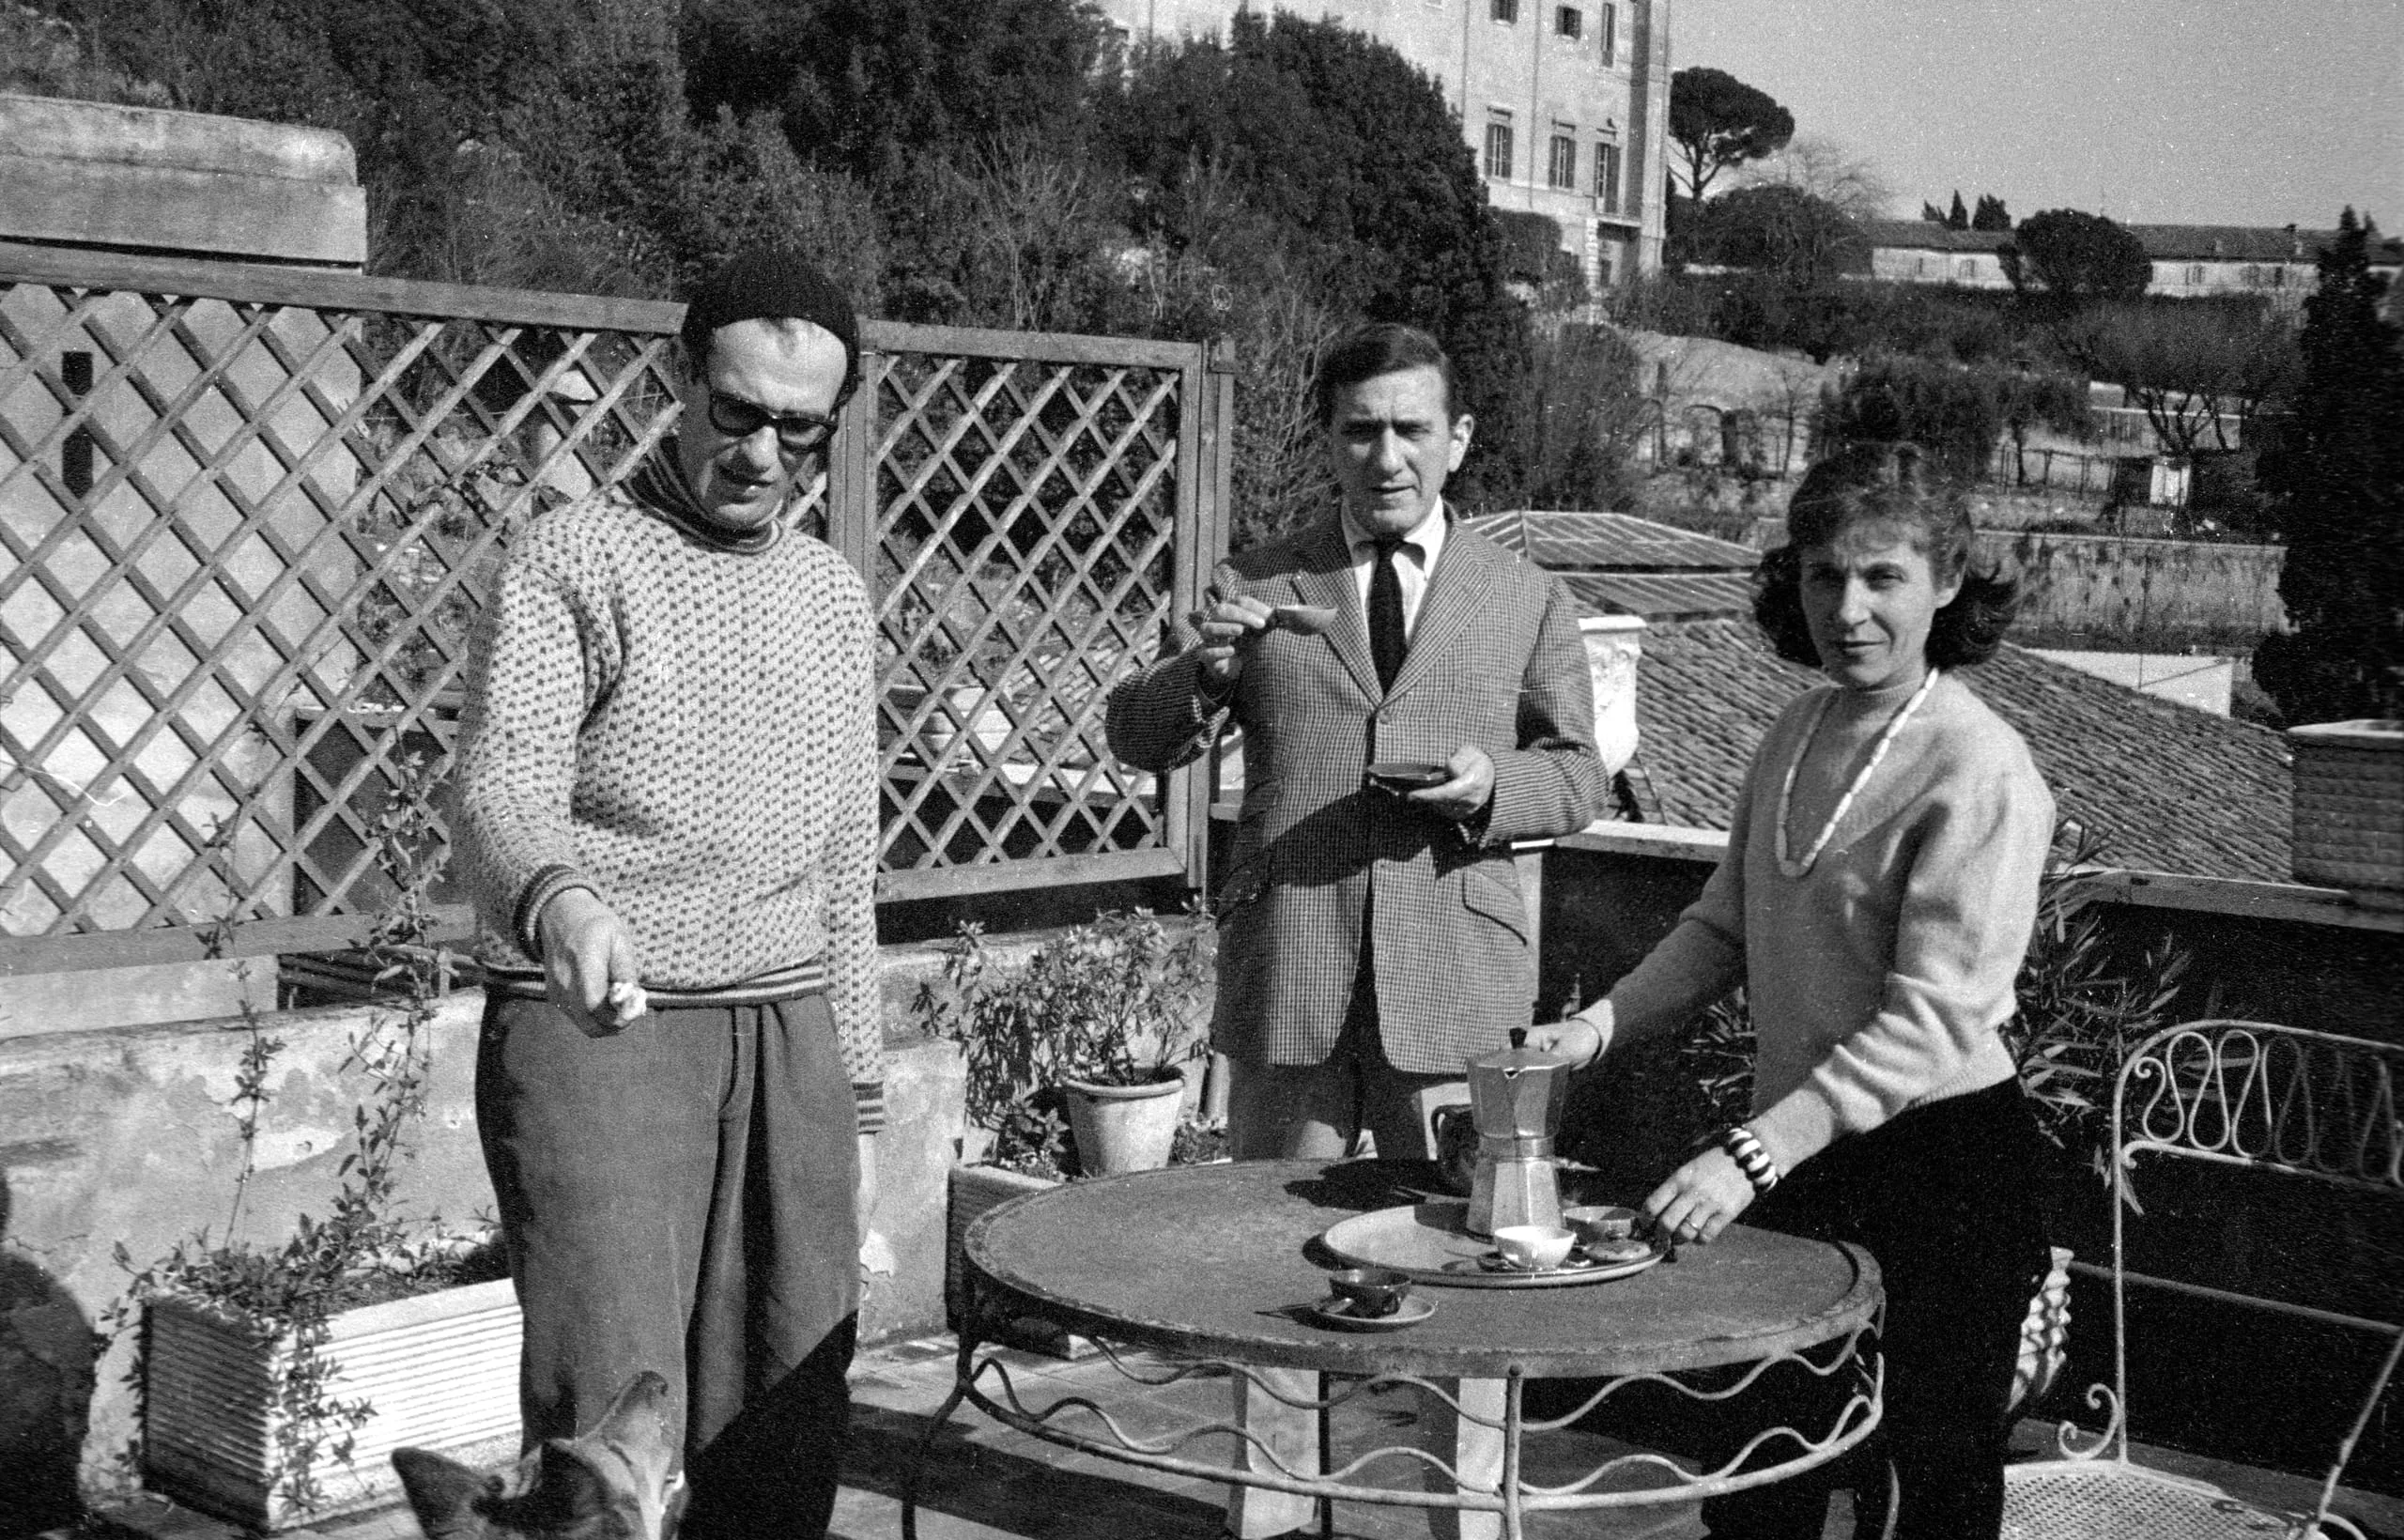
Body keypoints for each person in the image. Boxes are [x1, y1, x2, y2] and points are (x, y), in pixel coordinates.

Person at [1107, 321, 1608, 1538]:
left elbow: (1580, 776)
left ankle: (1461, 1525)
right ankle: (1275, 1519)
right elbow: (1137, 736)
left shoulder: (1523, 596)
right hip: (1294, 974)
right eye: (1361, 429)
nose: (1387, 456)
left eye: (1411, 429)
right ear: (1328, 438)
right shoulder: (1258, 583)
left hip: (1457, 990)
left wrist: (1491, 788)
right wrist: (1206, 676)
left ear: (1458, 439)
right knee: (1275, 1275)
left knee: (1468, 1273)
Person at [1530, 440, 2056, 1540]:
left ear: (1946, 582)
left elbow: (1935, 1015)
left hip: (1945, 1166)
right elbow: (1722, 925)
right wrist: (1593, 1027)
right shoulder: (1795, 729)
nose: (1848, 609)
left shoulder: (1982, 765)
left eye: (1882, 577)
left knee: (1928, 1486)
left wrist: (1753, 1152)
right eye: (1824, 575)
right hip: (1808, 1157)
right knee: (1760, 1470)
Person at [452, 248, 882, 1540]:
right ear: (681, 380)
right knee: (608, 1433)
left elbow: (848, 869)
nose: (761, 453)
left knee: (787, 1407)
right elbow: (498, 786)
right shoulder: (570, 556)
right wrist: (562, 902)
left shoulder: (833, 595)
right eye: (736, 411)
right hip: (602, 1041)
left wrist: (859, 1105)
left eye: (799, 430)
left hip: (788, 1037)